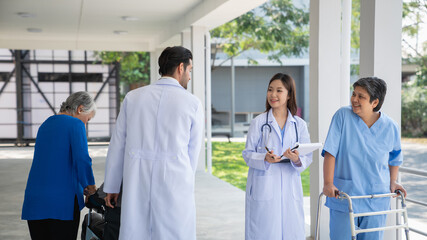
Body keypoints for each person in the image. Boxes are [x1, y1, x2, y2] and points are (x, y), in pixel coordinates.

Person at [103, 46, 204, 240]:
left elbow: (118, 144)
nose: (189, 76)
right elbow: (193, 152)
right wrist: (186, 183)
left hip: (137, 179)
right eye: (190, 70)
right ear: (181, 68)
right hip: (175, 180)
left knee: (136, 230)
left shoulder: (133, 98)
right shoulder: (192, 103)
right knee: (175, 232)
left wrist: (112, 186)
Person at [322, 77, 407, 240]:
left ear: (375, 102)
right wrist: (328, 183)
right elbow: (330, 152)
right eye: (354, 94)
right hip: (345, 195)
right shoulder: (342, 116)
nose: (354, 99)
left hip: (376, 198)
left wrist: (393, 181)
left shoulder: (391, 127)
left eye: (361, 96)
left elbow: (394, 158)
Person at [242, 73, 312, 240]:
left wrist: (296, 159)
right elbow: (247, 154)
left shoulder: (299, 125)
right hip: (264, 183)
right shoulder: (258, 123)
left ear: (289, 95)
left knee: (291, 231)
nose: (273, 95)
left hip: (289, 185)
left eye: (279, 90)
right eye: (270, 90)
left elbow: (307, 156)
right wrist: (264, 158)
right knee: (264, 232)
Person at [22, 91, 97, 240]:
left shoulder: (46, 123)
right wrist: (90, 187)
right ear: (80, 109)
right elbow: (81, 159)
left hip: (35, 201)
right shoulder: (75, 124)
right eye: (88, 119)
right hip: (62, 203)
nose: (85, 123)